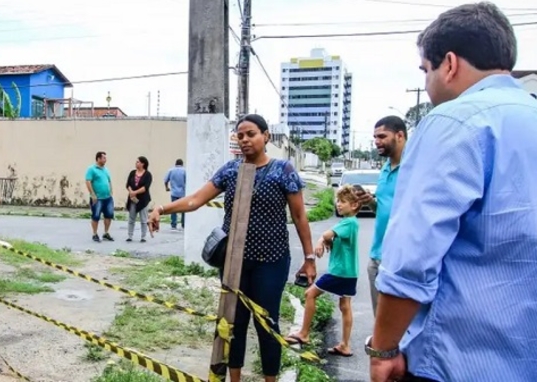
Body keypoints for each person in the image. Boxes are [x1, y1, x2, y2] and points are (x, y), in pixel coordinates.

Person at [368, 2, 537, 382]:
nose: (427, 81)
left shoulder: (454, 121)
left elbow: (411, 259)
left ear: (448, 64)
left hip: (457, 360)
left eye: (425, 70)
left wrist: (384, 349)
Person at [147, 114, 315, 382]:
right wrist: (161, 208)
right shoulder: (231, 170)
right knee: (232, 323)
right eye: (240, 135)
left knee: (267, 324)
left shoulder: (283, 171)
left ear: (266, 136)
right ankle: (233, 378)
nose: (245, 140)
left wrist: (309, 258)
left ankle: (269, 379)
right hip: (233, 261)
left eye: (251, 134)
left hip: (271, 261)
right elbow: (195, 200)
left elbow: (299, 217)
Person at [286, 185, 360, 357]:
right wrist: (329, 242)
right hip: (350, 272)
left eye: (343, 202)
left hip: (338, 272)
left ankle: (304, 333)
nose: (338, 205)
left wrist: (320, 241)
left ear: (355, 205)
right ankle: (345, 345)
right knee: (345, 306)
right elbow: (337, 240)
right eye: (338, 201)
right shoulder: (351, 223)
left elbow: (327, 234)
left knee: (310, 294)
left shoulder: (348, 222)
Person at [354, 115, 407, 316]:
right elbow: (384, 208)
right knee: (380, 318)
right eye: (375, 137)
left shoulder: (414, 167)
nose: (377, 141)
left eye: (382, 136)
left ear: (399, 135)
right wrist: (371, 202)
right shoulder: (385, 167)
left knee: (399, 322)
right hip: (377, 256)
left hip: (400, 259)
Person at [85, 151, 114, 242]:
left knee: (109, 215)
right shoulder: (91, 169)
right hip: (97, 198)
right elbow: (88, 181)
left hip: (107, 197)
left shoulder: (106, 169)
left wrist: (111, 191)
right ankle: (94, 233)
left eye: (105, 158)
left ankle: (106, 233)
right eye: (104, 158)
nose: (105, 159)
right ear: (98, 159)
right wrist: (92, 194)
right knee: (96, 215)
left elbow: (109, 181)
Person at [125, 156, 153, 242]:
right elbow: (128, 184)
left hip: (143, 200)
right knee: (131, 218)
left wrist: (135, 192)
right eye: (136, 162)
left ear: (142, 164)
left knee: (143, 219)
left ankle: (143, 236)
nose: (136, 163)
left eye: (138, 162)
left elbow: (145, 187)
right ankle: (130, 236)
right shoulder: (132, 173)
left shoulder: (148, 174)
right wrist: (131, 191)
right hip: (132, 199)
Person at [164, 158, 186, 230]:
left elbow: (165, 180)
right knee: (183, 209)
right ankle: (183, 224)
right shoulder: (184, 171)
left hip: (174, 193)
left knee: (173, 208)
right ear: (182, 164)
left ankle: (174, 224)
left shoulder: (171, 170)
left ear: (175, 164)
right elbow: (187, 181)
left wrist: (167, 187)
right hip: (183, 193)